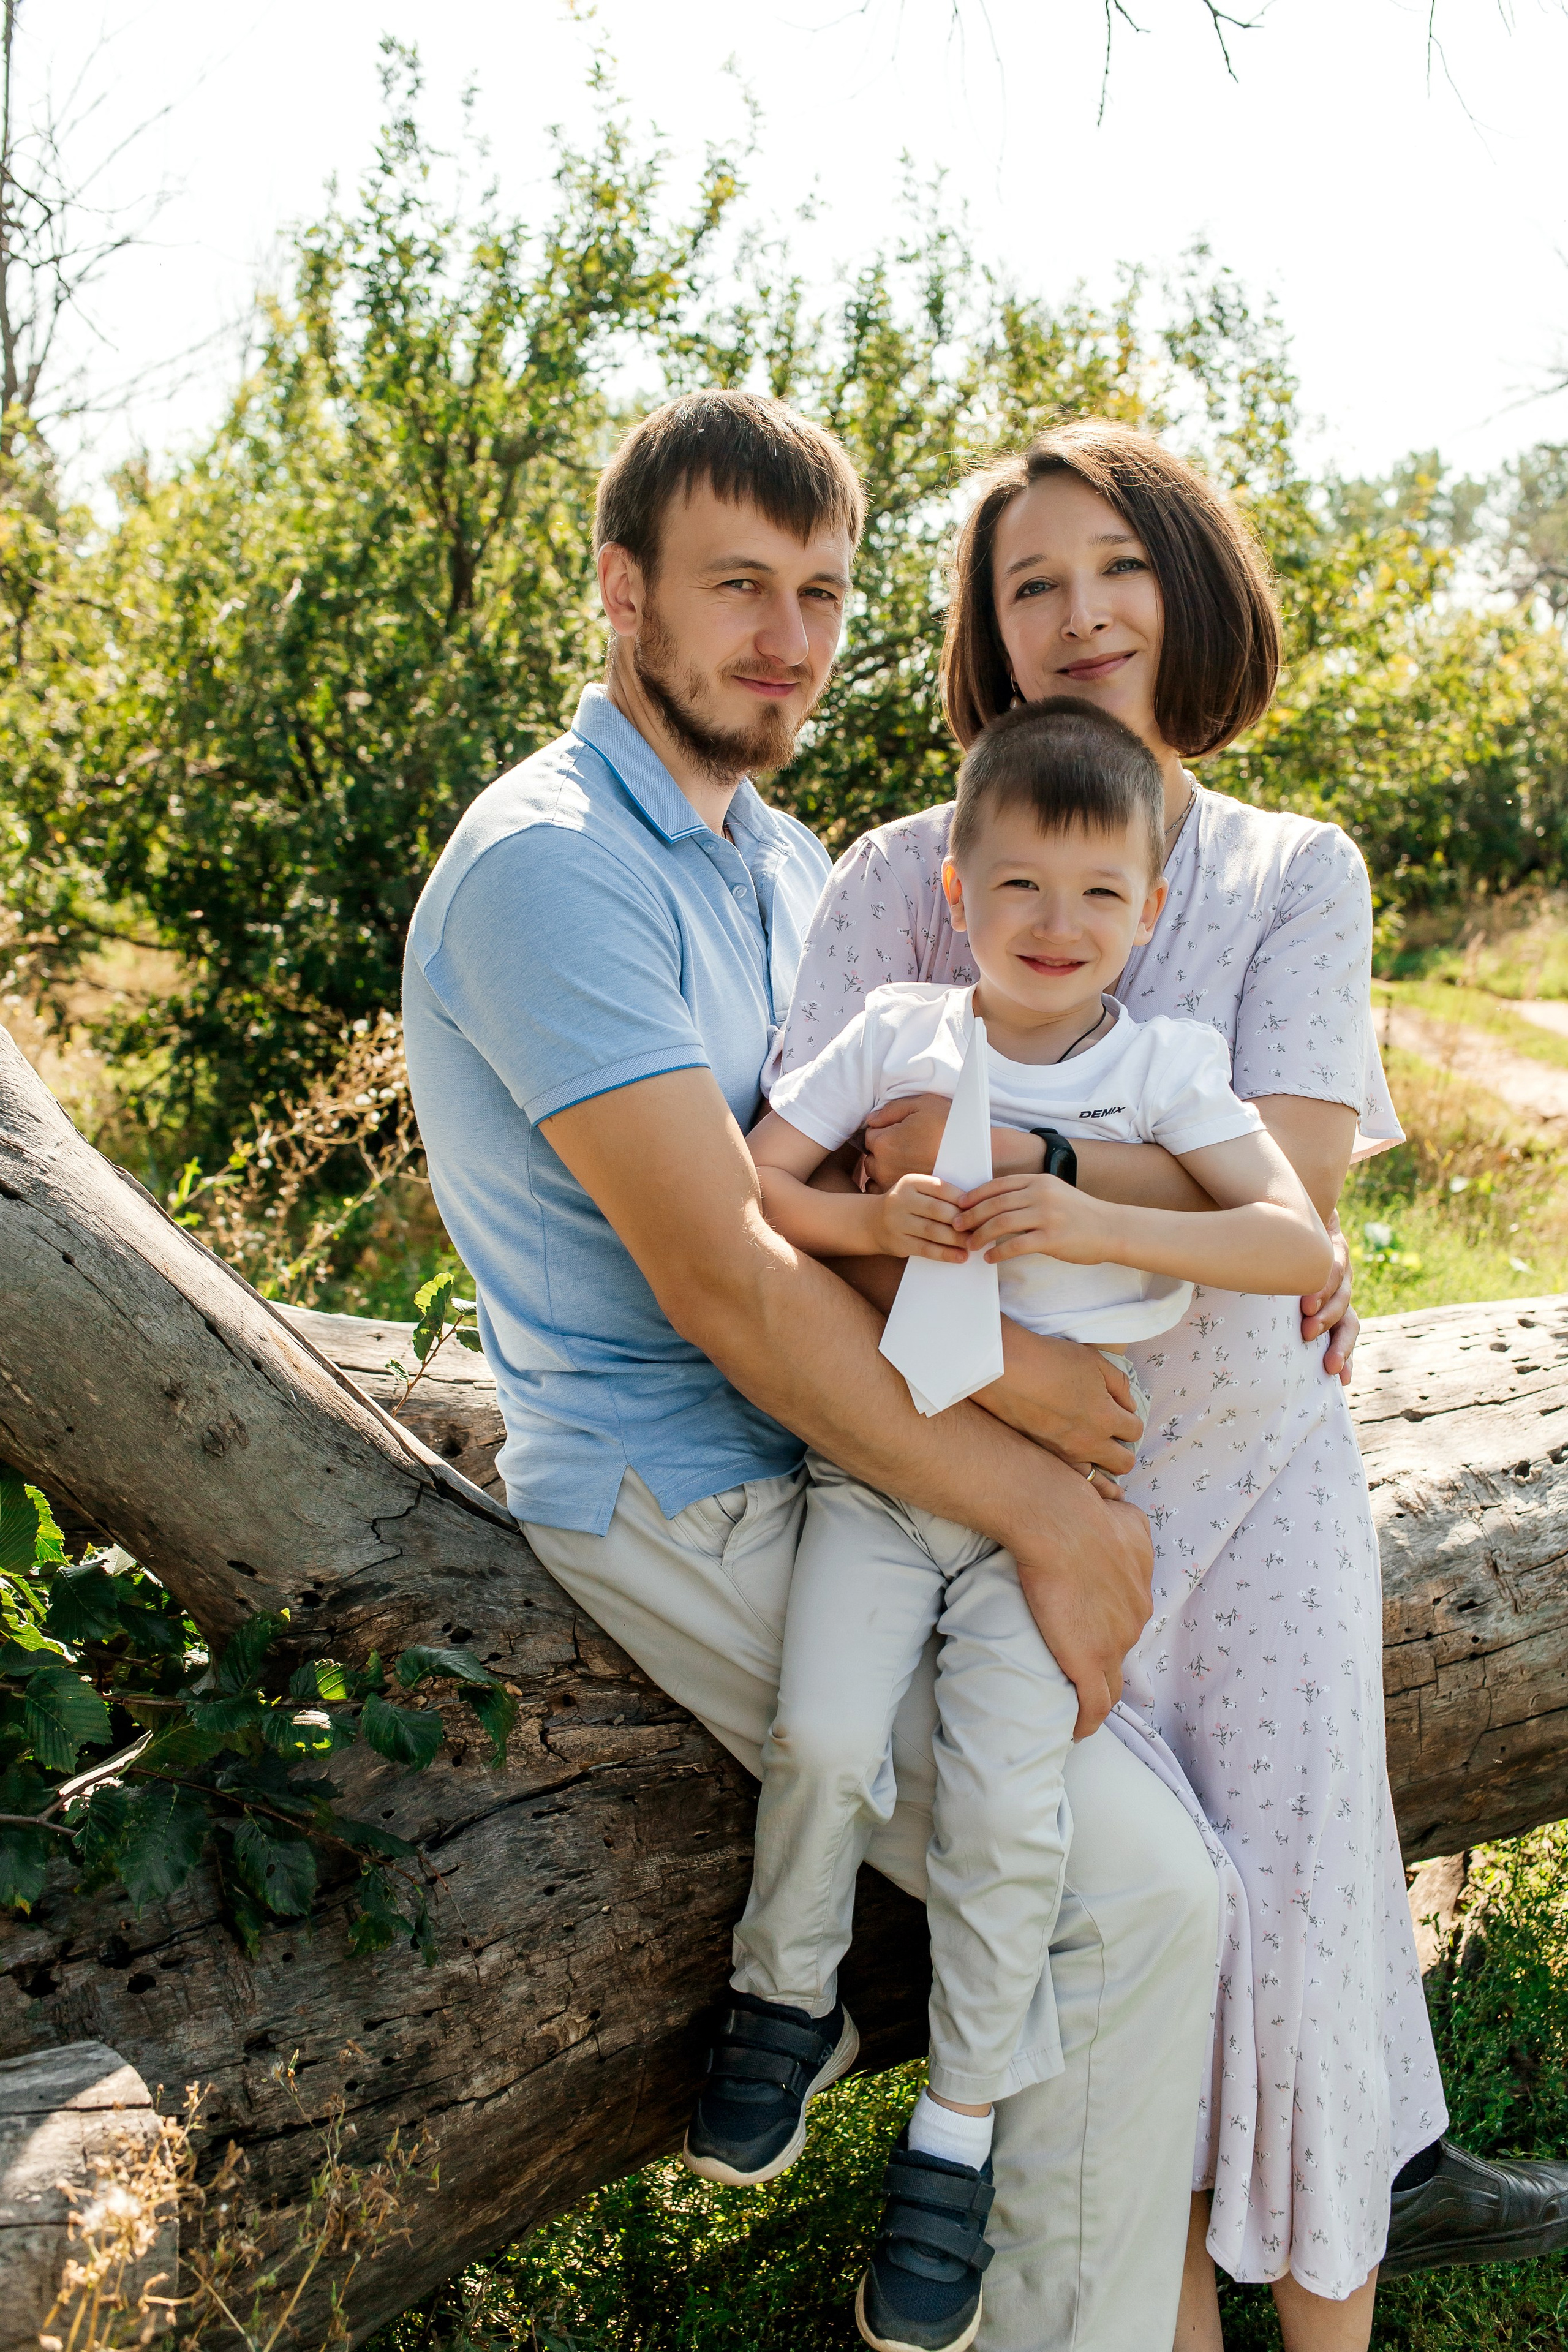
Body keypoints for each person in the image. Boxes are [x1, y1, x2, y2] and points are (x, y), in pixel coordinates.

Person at [402, 390, 1221, 2352]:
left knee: (1161, 1859)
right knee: (1141, 1895)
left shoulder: (769, 865)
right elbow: (724, 1281)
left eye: (825, 595)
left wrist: (1012, 1373)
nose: (787, 637)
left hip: (852, 1449)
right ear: (623, 592)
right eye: (738, 587)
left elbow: (856, 1200)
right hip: (691, 1479)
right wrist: (1032, 1486)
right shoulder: (553, 868)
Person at [772, 417, 1568, 2351]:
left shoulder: (1294, 872)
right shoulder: (905, 878)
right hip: (1004, 1489)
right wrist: (1144, 1188)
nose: (1078, 613)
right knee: (1120, 1945)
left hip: (1263, 1483)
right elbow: (814, 1186)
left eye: (1115, 565)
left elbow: (1288, 1181)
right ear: (987, 632)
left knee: (1296, 1937)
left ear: (1187, 583)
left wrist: (1026, 1166)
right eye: (1027, 583)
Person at [684, 695, 1332, 2352]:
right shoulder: (901, 1028)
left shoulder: (1164, 1072)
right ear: (958, 893)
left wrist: (1090, 1196)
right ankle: (784, 2000)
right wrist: (863, 1212)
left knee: (1006, 1819)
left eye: (1101, 894)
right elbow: (755, 1186)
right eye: (1022, 889)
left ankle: (955, 2141)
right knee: (823, 1735)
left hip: (1063, 1505)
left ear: (1151, 913)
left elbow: (1295, 1244)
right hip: (890, 1469)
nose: (1061, 927)